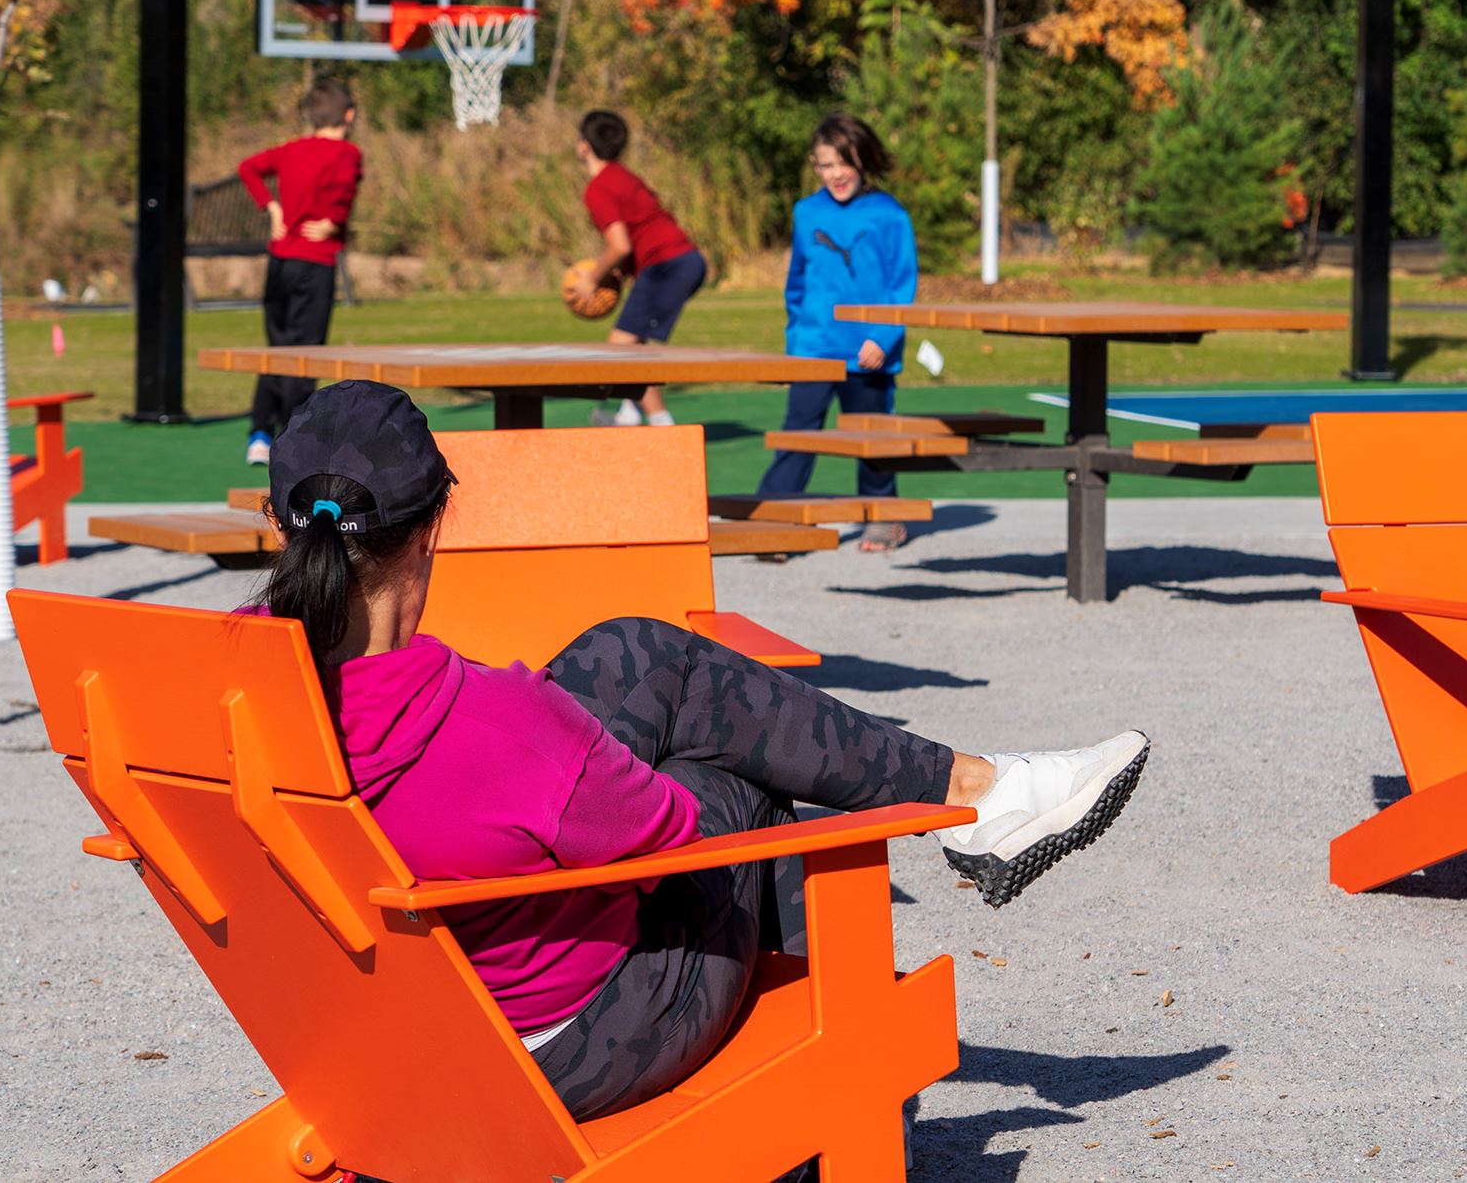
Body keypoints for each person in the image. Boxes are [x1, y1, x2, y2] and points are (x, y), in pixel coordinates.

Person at [249, 380, 1150, 1125]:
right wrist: (587, 754)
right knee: (738, 783)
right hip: (553, 1047)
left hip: (373, 1022)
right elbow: (671, 832)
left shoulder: (223, 683)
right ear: (430, 528)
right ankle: (846, 1111)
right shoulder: (499, 723)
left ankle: (976, 790)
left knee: (632, 652)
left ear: (284, 524)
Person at [755, 113, 918, 550]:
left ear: (862, 160)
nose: (836, 174)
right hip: (814, 348)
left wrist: (882, 339)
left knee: (873, 438)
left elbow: (903, 284)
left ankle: (884, 517)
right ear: (814, 164)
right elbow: (798, 283)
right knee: (798, 434)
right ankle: (776, 522)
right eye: (825, 165)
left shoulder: (890, 215)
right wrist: (797, 341)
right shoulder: (806, 212)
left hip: (868, 351)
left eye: (844, 163)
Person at [237, 78, 362, 466]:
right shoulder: (346, 153)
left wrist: (271, 207)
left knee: (277, 347)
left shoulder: (292, 149)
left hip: (280, 261)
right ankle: (295, 435)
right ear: (349, 115)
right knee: (304, 352)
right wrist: (333, 221)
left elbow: (249, 168)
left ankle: (260, 431)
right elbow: (343, 193)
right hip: (314, 262)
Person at [569, 109, 706, 427]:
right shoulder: (623, 175)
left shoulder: (599, 187)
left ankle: (662, 422)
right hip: (681, 260)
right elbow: (641, 229)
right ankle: (629, 413)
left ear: (584, 146)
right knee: (633, 344)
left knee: (621, 346)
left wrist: (593, 277)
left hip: (669, 264)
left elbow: (620, 245)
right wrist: (621, 270)